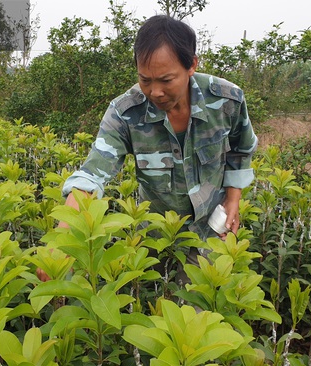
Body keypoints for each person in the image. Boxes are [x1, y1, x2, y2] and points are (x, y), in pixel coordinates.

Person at [39, 15, 258, 281]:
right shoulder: (125, 112)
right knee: (149, 307)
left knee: (197, 314)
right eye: (145, 80)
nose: (155, 92)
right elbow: (92, 173)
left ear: (191, 65)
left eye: (166, 80)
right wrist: (63, 236)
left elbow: (241, 148)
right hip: (154, 233)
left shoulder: (226, 100)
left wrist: (233, 199)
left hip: (210, 228)